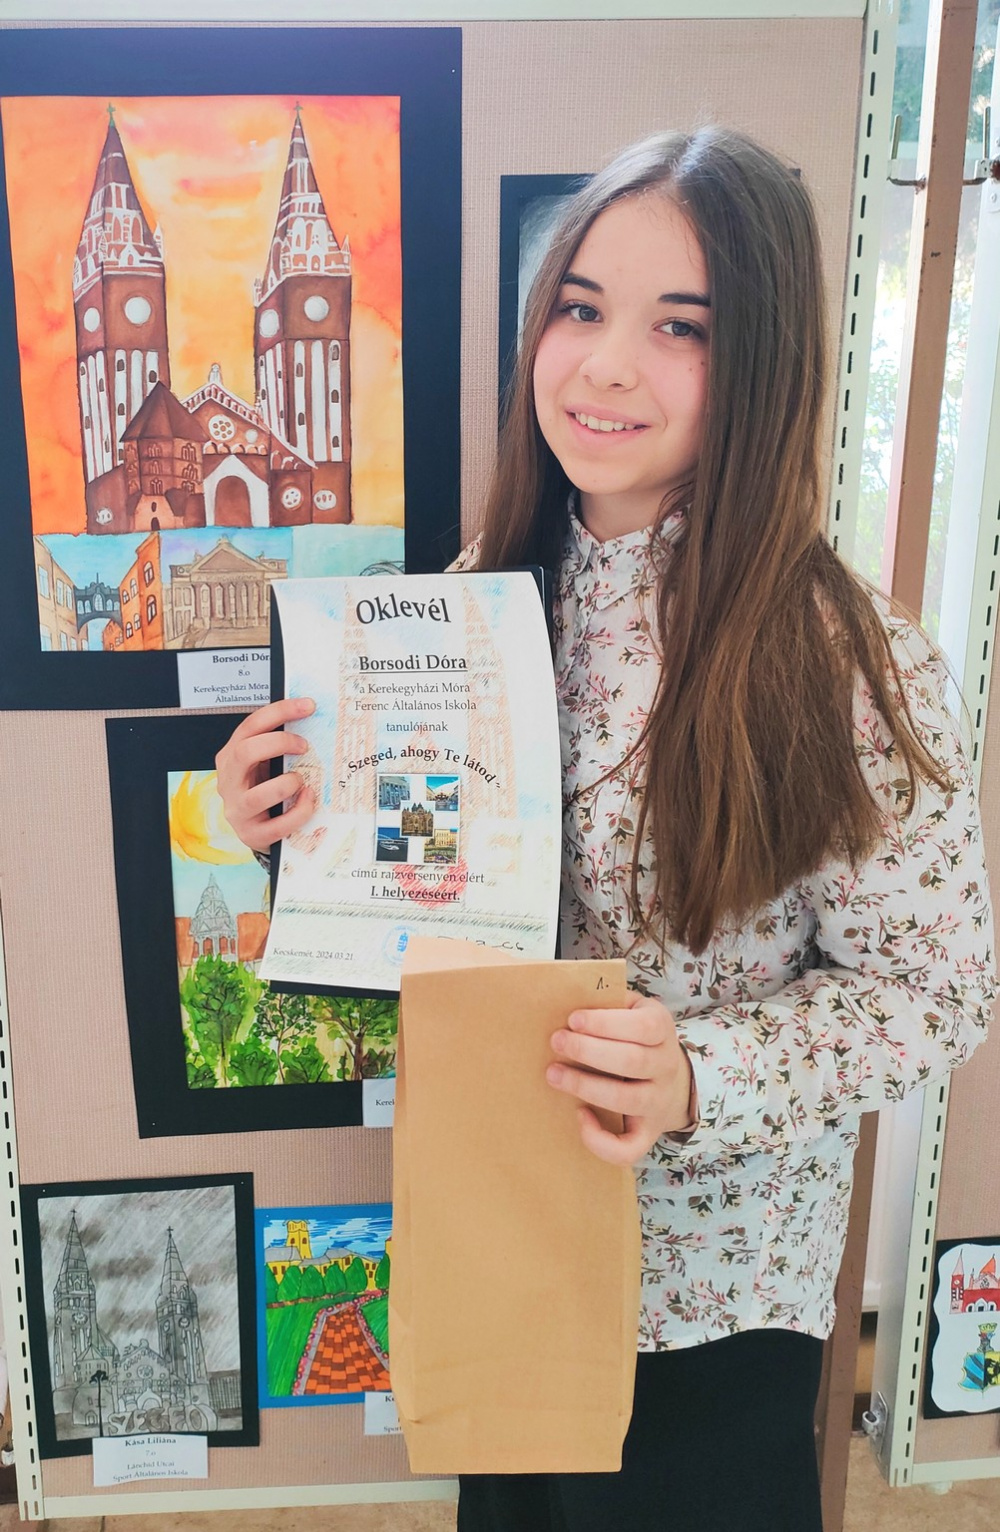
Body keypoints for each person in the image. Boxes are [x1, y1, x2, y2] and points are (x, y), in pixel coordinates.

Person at [215, 128, 996, 1531]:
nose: (606, 366)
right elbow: (430, 896)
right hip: (501, 1219)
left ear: (763, 365)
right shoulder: (478, 593)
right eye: (579, 308)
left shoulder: (842, 659)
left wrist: (701, 1073)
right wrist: (289, 824)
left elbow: (941, 991)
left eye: (680, 327)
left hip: (710, 1292)